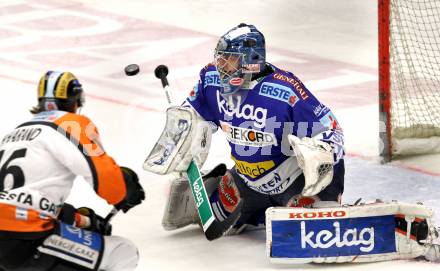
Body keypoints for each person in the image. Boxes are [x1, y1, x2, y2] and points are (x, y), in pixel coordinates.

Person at [154, 23, 345, 233]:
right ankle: (237, 195)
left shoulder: (284, 91)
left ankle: (322, 206)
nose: (221, 66)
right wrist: (183, 134)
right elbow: (193, 115)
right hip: (248, 181)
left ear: (251, 60)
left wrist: (320, 154)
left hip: (295, 182)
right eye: (221, 58)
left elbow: (331, 130)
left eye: (230, 59)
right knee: (216, 220)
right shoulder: (211, 81)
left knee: (308, 234)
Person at [0, 71, 145, 271]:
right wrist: (126, 188)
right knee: (123, 251)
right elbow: (108, 181)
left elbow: (20, 198)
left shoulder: (14, 133)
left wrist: (79, 219)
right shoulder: (71, 123)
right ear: (75, 101)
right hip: (26, 239)